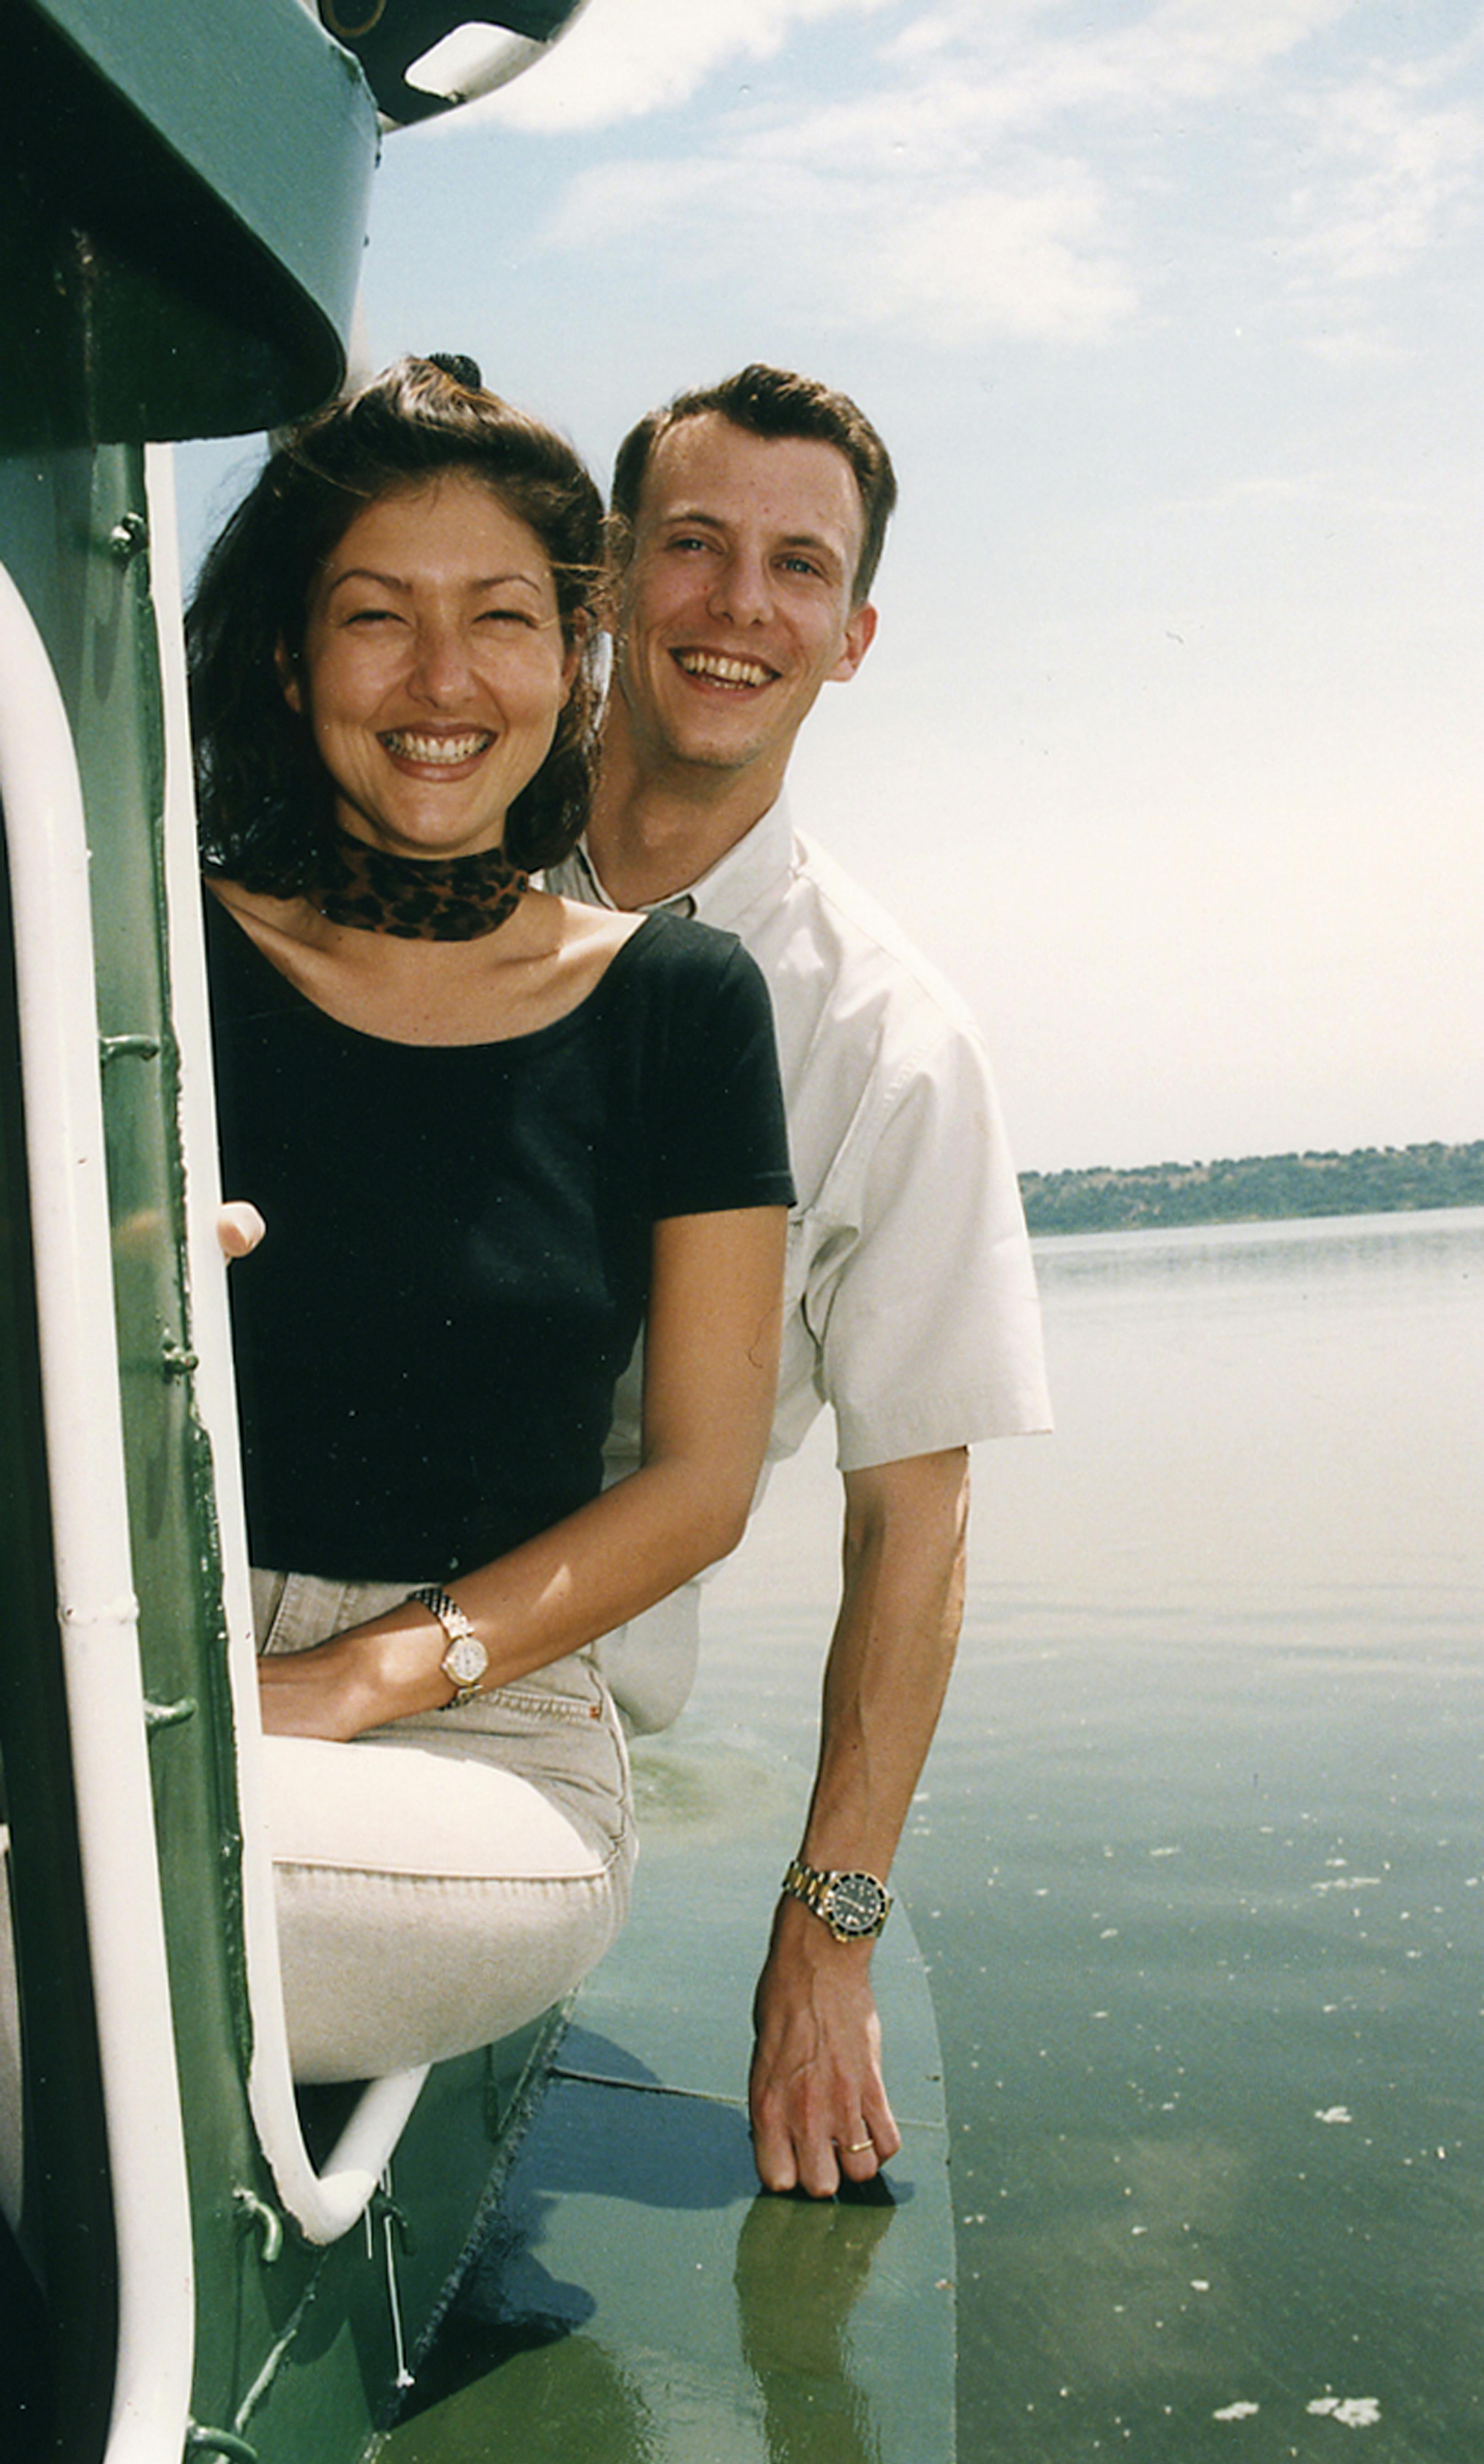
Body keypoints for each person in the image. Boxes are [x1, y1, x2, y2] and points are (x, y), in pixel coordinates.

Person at [187, 355, 794, 2082]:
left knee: (118, 1912)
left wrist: (374, 1672)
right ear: (295, 657)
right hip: (134, 1662)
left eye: (504, 619)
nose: (444, 680)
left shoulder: (680, 1000)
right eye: (378, 616)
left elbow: (699, 1481)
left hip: (491, 1735)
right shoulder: (147, 954)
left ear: (570, 661)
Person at [549, 365, 1052, 2197]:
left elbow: (912, 1522)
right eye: (691, 547)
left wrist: (829, 1931)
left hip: (534, 1708)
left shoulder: (890, 1046)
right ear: (605, 580)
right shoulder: (399, 859)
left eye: (793, 568)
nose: (735, 608)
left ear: (850, 636)